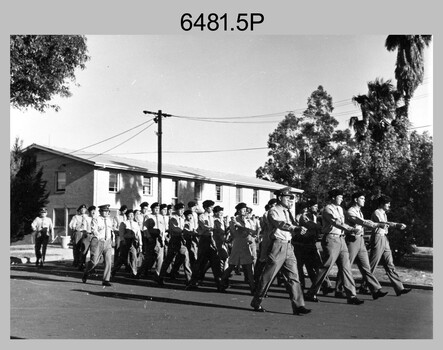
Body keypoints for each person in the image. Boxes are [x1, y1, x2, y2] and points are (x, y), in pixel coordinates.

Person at [250, 187, 311, 315]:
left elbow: (292, 224)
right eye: (287, 197)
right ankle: (257, 301)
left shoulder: (287, 211)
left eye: (291, 198)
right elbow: (280, 224)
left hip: (288, 246)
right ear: (279, 198)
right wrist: (295, 228)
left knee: (294, 277)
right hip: (277, 246)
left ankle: (298, 306)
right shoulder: (273, 211)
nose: (290, 200)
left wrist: (300, 228)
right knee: (268, 276)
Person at [304, 189, 364, 305]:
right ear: (333, 198)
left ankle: (352, 296)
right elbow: (335, 222)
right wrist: (350, 229)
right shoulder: (327, 209)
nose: (342, 199)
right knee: (326, 267)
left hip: (341, 239)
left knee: (346, 268)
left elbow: (343, 223)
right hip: (331, 239)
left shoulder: (341, 209)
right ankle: (311, 293)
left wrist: (350, 229)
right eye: (339, 197)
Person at [334, 192, 389, 300]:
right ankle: (339, 289)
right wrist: (376, 224)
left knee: (366, 267)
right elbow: (361, 222)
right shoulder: (351, 211)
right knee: (346, 265)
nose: (364, 200)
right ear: (355, 200)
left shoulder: (359, 211)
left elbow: (363, 222)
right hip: (352, 240)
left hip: (360, 240)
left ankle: (375, 290)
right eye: (362, 198)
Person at [367, 195, 411, 296]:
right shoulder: (377, 212)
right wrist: (396, 225)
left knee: (389, 263)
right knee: (373, 263)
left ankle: (399, 288)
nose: (389, 205)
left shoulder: (383, 213)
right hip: (378, 238)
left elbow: (386, 223)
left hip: (384, 238)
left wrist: (396, 224)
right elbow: (383, 223)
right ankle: (365, 286)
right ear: (382, 204)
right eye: (387, 203)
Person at [297, 200, 334, 295]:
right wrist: (321, 228)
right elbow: (310, 225)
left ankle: (324, 285)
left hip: (312, 244)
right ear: (309, 207)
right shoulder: (303, 216)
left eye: (317, 206)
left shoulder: (316, 217)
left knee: (316, 266)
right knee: (308, 266)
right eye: (314, 206)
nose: (316, 208)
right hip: (304, 245)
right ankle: (304, 286)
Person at [220, 203, 257, 294]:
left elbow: (253, 232)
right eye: (243, 209)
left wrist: (252, 234)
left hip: (246, 245)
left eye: (245, 209)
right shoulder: (234, 220)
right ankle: (221, 284)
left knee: (248, 266)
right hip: (237, 244)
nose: (245, 211)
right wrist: (246, 230)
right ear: (238, 210)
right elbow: (235, 230)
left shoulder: (249, 221)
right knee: (231, 265)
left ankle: (253, 288)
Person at [188, 200, 222, 290]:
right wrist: (213, 228)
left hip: (212, 239)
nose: (212, 209)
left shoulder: (212, 217)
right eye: (210, 207)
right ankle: (194, 281)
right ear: (206, 208)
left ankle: (219, 283)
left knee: (215, 261)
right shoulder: (202, 216)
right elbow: (204, 227)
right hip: (204, 239)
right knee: (200, 262)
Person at [157, 203, 193, 286]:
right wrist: (186, 231)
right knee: (168, 259)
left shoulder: (183, 218)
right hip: (174, 240)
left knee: (185, 258)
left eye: (183, 210)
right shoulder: (173, 218)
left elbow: (186, 227)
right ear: (176, 210)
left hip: (182, 240)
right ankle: (160, 277)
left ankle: (189, 279)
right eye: (180, 210)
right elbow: (177, 229)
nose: (182, 211)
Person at [82, 204, 114, 287]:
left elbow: (111, 231)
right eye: (104, 211)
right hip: (98, 241)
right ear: (100, 211)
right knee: (94, 261)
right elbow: (94, 230)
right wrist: (100, 238)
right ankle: (86, 272)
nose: (106, 213)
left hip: (107, 242)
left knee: (108, 261)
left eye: (107, 211)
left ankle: (106, 280)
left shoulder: (110, 220)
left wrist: (111, 240)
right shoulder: (96, 219)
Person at [139, 202, 167, 281]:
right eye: (155, 208)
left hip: (159, 238)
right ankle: (140, 272)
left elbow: (163, 229)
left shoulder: (161, 217)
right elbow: (144, 228)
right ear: (152, 209)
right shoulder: (148, 216)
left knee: (160, 258)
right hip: (151, 238)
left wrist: (163, 239)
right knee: (149, 257)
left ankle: (158, 275)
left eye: (158, 209)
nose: (157, 210)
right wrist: (149, 237)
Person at [112, 209, 142, 278]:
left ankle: (134, 272)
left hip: (133, 241)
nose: (131, 216)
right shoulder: (123, 223)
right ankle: (113, 271)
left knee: (133, 256)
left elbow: (138, 234)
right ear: (127, 215)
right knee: (122, 258)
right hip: (125, 241)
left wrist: (140, 244)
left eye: (132, 215)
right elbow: (121, 233)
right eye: (129, 215)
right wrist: (123, 240)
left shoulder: (135, 223)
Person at [253, 199, 277, 286]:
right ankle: (257, 279)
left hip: (273, 237)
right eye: (274, 204)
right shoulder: (267, 214)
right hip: (268, 238)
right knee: (264, 259)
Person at [68, 204, 89, 268]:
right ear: (79, 210)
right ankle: (76, 261)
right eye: (81, 209)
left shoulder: (87, 216)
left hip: (85, 233)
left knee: (84, 248)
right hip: (78, 232)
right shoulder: (76, 217)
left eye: (84, 209)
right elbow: (71, 225)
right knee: (76, 247)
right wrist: (74, 228)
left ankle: (82, 262)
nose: (83, 210)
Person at [78, 205, 96, 270]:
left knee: (93, 252)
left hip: (94, 237)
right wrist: (85, 232)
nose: (93, 212)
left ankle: (92, 267)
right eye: (92, 211)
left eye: (94, 211)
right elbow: (84, 227)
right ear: (89, 212)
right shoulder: (86, 218)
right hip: (87, 235)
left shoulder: (96, 219)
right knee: (84, 251)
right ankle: (81, 265)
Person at [212, 205, 230, 272]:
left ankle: (224, 272)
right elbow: (215, 231)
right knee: (224, 257)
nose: (222, 214)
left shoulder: (223, 221)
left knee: (223, 257)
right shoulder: (214, 221)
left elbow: (225, 230)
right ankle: (224, 273)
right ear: (215, 213)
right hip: (217, 241)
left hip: (223, 241)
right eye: (220, 213)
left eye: (222, 213)